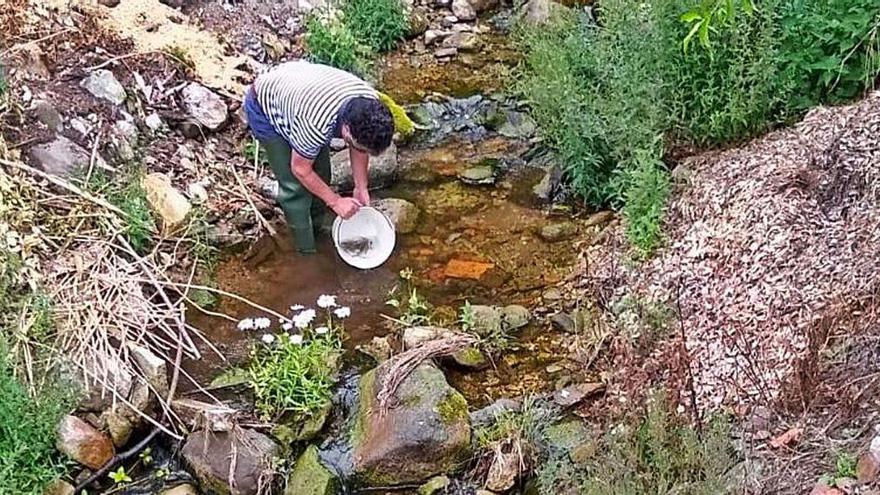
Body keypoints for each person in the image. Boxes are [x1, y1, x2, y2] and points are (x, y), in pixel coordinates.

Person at [243, 60, 395, 254]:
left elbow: (359, 148)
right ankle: (305, 251)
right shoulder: (316, 126)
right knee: (295, 188)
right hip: (265, 107)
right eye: (357, 144)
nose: (360, 149)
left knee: (321, 174)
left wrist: (361, 186)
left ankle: (316, 230)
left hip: (302, 94)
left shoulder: (369, 101)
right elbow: (300, 169)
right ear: (346, 131)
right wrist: (336, 202)